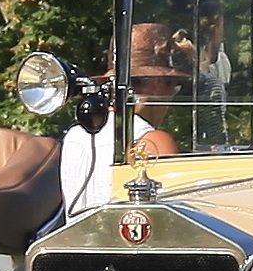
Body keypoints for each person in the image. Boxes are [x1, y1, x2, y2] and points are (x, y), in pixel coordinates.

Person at [58, 23, 190, 215]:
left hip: (77, 242)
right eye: (174, 85)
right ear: (158, 83)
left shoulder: (74, 136)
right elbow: (170, 219)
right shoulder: (154, 142)